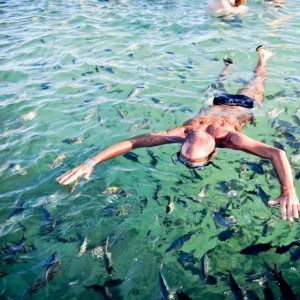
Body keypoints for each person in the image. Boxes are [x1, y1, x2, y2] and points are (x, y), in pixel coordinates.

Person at [56, 46, 299, 222]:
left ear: (215, 151)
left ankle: (261, 58)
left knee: (259, 79)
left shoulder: (229, 138)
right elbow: (131, 142)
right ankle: (231, 66)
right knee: (234, 85)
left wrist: (289, 191)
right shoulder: (181, 133)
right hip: (218, 105)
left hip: (241, 105)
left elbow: (277, 153)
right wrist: (90, 162)